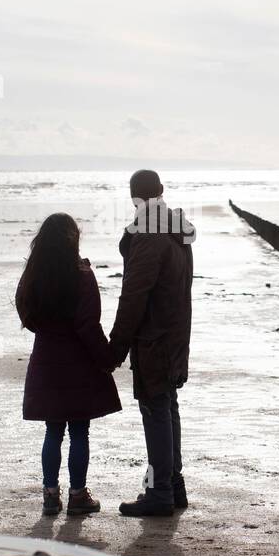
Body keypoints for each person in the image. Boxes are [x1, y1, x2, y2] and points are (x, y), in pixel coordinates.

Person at [16, 213, 121, 516]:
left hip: (47, 358)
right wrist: (108, 358)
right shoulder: (82, 274)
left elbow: (26, 315)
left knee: (53, 430)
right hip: (78, 362)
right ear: (72, 238)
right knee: (79, 431)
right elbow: (89, 325)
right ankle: (77, 494)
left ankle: (50, 494)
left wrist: (49, 332)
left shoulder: (33, 275)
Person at [108, 170, 196, 517]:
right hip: (175, 331)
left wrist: (116, 347)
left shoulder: (149, 234)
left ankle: (160, 493)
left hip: (155, 336)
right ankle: (173, 486)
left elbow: (134, 296)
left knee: (156, 409)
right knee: (167, 405)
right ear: (160, 191)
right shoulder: (176, 231)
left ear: (133, 197)